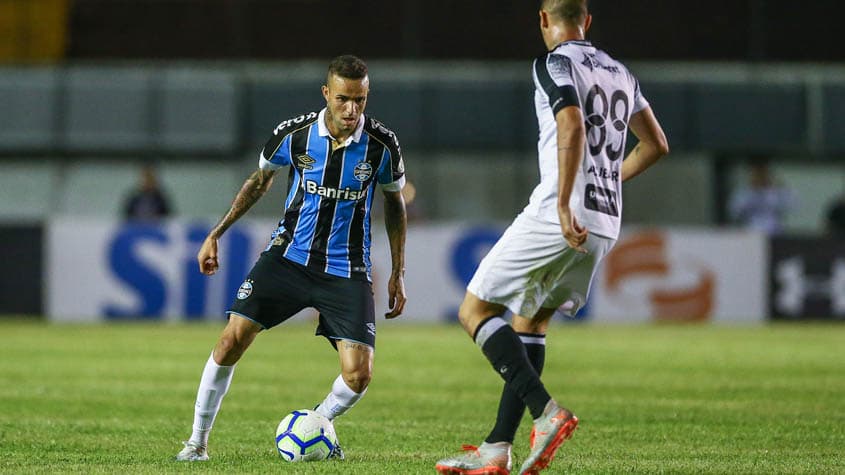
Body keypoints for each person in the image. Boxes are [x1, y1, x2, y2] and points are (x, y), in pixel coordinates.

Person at [435, 1, 668, 474]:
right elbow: (656, 145)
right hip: (605, 221)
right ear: (588, 19)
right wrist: (606, 180)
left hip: (559, 214)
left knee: (474, 310)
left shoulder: (553, 62)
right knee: (531, 325)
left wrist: (566, 202)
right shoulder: (621, 72)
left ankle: (547, 412)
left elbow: (571, 121)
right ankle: (496, 450)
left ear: (544, 19)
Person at [175, 55, 408, 462]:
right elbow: (259, 182)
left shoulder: (382, 145)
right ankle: (196, 443)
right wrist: (216, 234)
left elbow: (395, 204)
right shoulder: (294, 135)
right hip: (287, 258)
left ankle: (317, 422)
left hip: (346, 269)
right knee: (231, 340)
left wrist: (398, 271)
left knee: (359, 374)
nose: (352, 110)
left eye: (360, 100)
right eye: (343, 99)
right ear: (326, 94)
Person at [728, 161, 794, 235]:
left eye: (763, 173)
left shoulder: (776, 191)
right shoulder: (744, 193)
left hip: (774, 232)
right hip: (751, 232)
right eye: (756, 173)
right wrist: (752, 193)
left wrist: (781, 188)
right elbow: (734, 211)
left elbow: (792, 205)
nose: (760, 176)